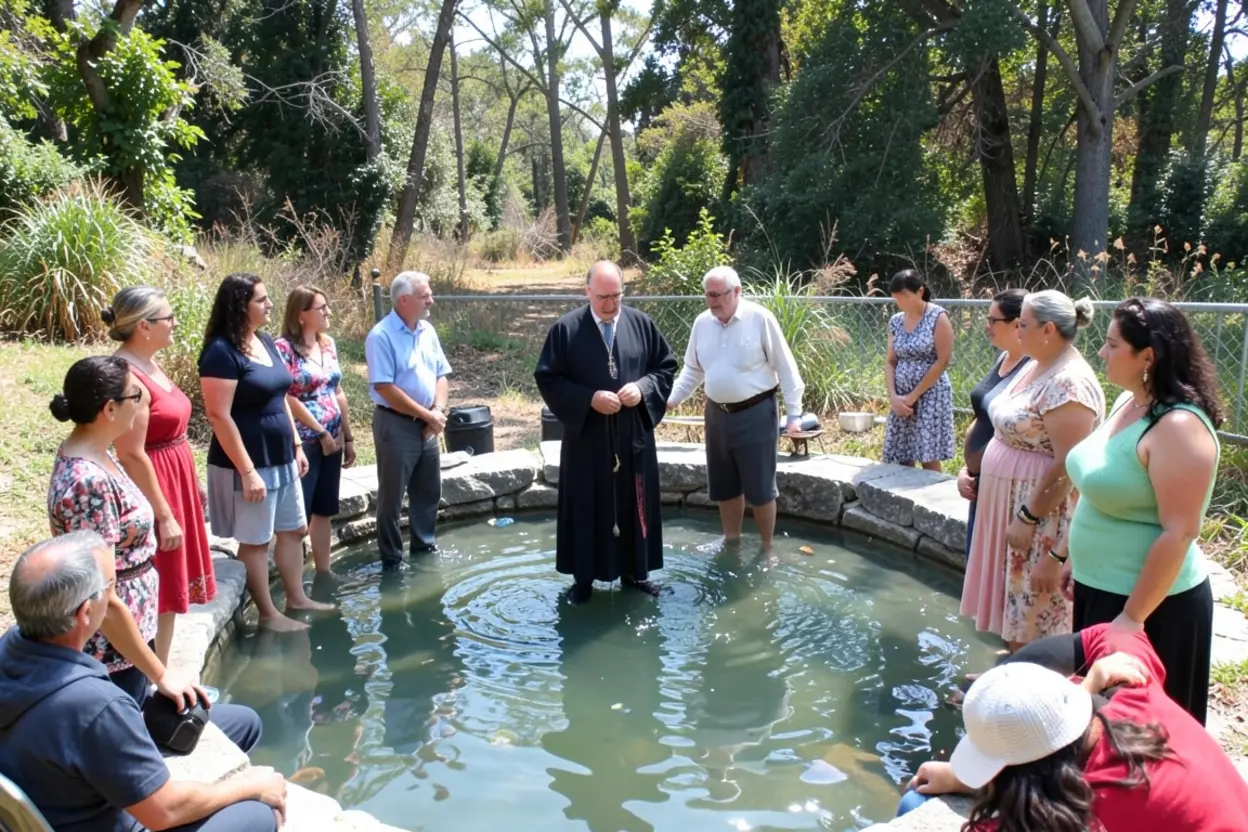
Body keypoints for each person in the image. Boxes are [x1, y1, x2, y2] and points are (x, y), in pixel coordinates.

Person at [0, 530, 287, 832]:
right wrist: (250, 787)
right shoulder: (96, 706)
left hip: (56, 790)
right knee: (261, 813)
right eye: (111, 587)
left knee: (244, 723)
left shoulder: (9, 648)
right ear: (86, 612)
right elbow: (163, 811)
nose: (115, 598)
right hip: (115, 821)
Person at [899, 625, 1248, 831]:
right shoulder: (1138, 698)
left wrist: (967, 781)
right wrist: (1087, 685)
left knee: (914, 801)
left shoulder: (1080, 807)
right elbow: (1113, 632)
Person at [1060, 298, 1222, 725]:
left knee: (1145, 733)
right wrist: (1076, 557)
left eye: (1112, 345)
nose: (1101, 352)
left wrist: (1132, 618)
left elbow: (1179, 531)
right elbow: (1101, 485)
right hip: (1104, 592)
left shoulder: (1179, 427)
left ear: (1147, 357)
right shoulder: (1129, 404)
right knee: (1100, 728)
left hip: (1151, 607)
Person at [47, 356, 203, 707]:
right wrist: (161, 674)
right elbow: (102, 597)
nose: (143, 403)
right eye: (136, 396)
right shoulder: (88, 484)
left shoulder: (96, 453)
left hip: (131, 639)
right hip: (113, 652)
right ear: (109, 409)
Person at [962, 290, 1104, 650]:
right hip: (1011, 503)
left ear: (1048, 329)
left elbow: (1067, 463)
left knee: (1033, 607)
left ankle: (1031, 679)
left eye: (1023, 324)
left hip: (1042, 515)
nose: (1017, 331)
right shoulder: (1035, 365)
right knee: (1014, 601)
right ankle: (1011, 670)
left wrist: (1028, 517)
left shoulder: (1069, 382)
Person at [534, 260, 677, 605]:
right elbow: (548, 378)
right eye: (603, 297)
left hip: (632, 437)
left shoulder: (641, 324)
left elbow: (665, 366)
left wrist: (642, 388)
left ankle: (636, 573)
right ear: (587, 292)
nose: (611, 305)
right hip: (587, 439)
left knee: (634, 504)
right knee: (587, 505)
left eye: (617, 296)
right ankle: (583, 580)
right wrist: (589, 399)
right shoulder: (566, 329)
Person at [199, 273, 333, 632]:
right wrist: (247, 472)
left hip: (281, 456)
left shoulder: (264, 341)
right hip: (248, 461)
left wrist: (296, 445)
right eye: (261, 299)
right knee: (256, 541)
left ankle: (297, 598)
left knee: (295, 529)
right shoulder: (221, 353)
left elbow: (281, 397)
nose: (270, 304)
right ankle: (269, 615)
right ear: (239, 306)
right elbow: (218, 415)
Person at [106, 286, 217, 666]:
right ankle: (152, 675)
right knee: (159, 583)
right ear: (144, 326)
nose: (175, 323)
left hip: (174, 478)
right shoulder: (128, 376)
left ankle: (161, 672)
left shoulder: (149, 363)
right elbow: (130, 453)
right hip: (154, 486)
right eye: (168, 318)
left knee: (170, 587)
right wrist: (164, 513)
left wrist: (193, 485)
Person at [665, 266, 805, 549]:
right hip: (717, 415)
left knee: (761, 488)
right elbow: (693, 369)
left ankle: (767, 548)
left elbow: (786, 368)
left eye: (718, 294)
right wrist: (671, 399)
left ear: (737, 291)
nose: (712, 301)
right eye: (708, 295)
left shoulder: (760, 319)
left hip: (756, 413)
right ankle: (731, 541)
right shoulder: (702, 323)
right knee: (724, 485)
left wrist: (794, 415)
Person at [363, 271, 452, 569]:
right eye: (425, 296)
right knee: (392, 497)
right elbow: (385, 388)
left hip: (428, 423)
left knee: (428, 491)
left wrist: (437, 411)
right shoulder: (381, 336)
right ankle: (392, 561)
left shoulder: (427, 330)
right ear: (403, 300)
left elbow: (441, 374)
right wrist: (428, 415)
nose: (431, 300)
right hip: (396, 425)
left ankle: (424, 549)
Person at [276, 286, 356, 578]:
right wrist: (320, 432)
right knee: (299, 517)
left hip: (333, 439)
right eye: (321, 308)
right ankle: (296, 587)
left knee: (324, 510)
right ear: (301, 315)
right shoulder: (283, 348)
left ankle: (324, 572)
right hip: (306, 441)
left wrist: (347, 436)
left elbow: (337, 391)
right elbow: (287, 396)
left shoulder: (328, 344)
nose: (328, 312)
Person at [958, 289, 1028, 572]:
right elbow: (983, 414)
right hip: (980, 483)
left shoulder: (1032, 369)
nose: (986, 326)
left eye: (993, 320)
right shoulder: (1003, 357)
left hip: (1005, 488)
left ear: (1017, 324)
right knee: (977, 567)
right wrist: (966, 470)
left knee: (994, 570)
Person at [882, 269, 955, 471]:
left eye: (904, 297)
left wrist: (913, 396)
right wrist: (894, 397)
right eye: (896, 298)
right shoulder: (896, 321)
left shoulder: (937, 317)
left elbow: (943, 361)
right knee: (901, 452)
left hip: (930, 394)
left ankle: (933, 490)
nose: (900, 302)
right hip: (901, 396)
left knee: (927, 453)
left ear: (920, 292)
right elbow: (890, 361)